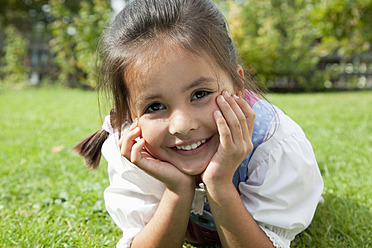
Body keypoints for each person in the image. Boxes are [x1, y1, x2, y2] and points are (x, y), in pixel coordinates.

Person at [74, 0, 324, 247]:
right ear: (131, 114)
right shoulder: (133, 149)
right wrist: (177, 190)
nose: (182, 126)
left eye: (200, 94)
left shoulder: (274, 144)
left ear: (237, 87)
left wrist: (219, 183)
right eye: (155, 107)